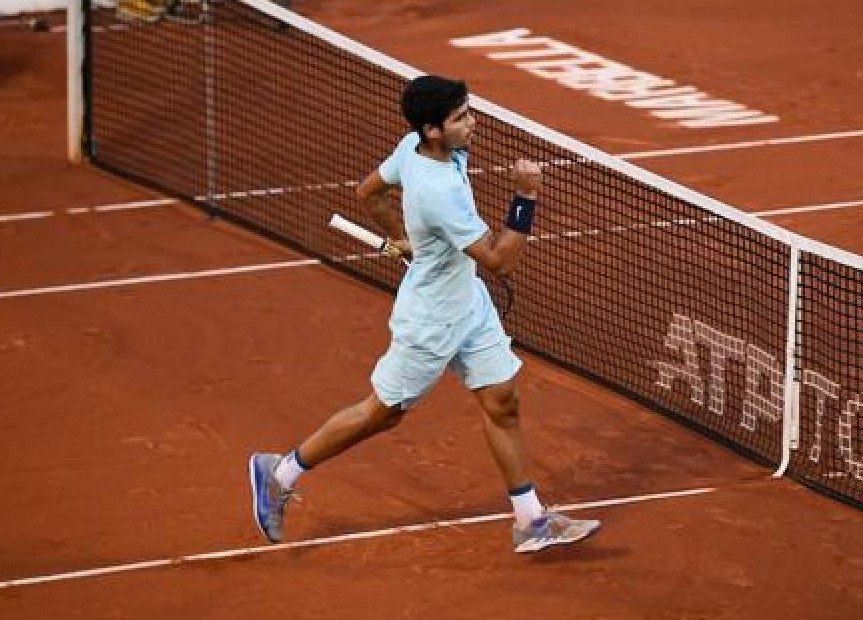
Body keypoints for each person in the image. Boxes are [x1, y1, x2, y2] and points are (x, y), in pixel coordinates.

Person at [248, 75, 601, 553]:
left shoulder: (414, 147)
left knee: (503, 401)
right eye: (461, 118)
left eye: (469, 112)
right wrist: (525, 198)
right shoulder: (439, 192)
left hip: (467, 304)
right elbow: (500, 260)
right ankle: (280, 472)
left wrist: (407, 238)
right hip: (432, 319)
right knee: (381, 414)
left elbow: (368, 192)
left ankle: (531, 520)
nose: (472, 124)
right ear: (432, 130)